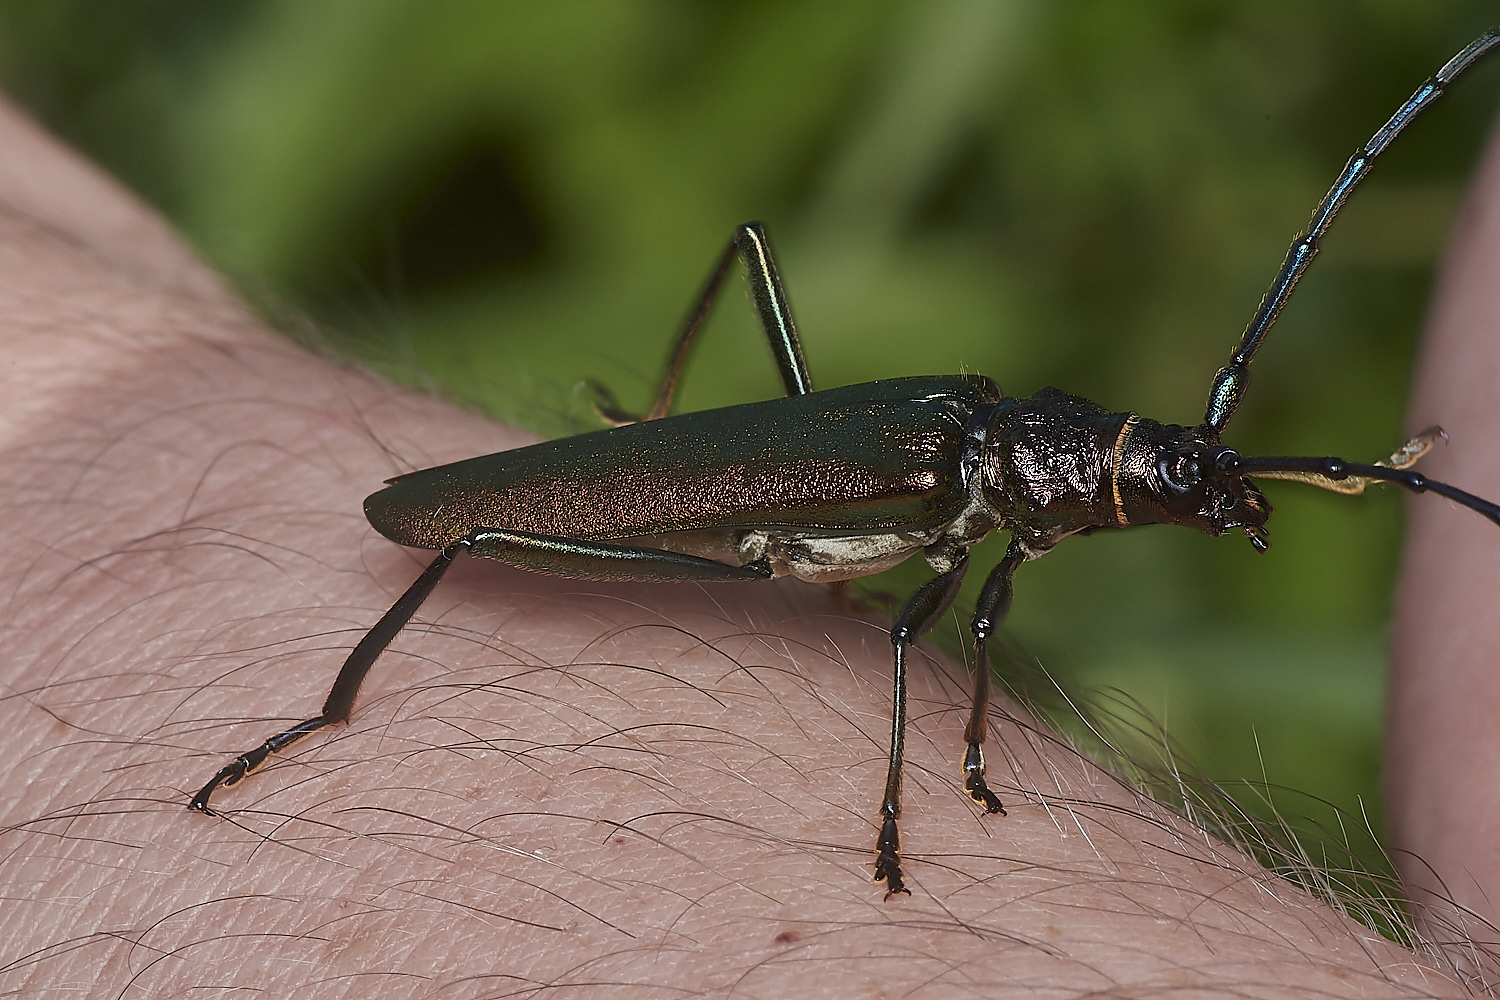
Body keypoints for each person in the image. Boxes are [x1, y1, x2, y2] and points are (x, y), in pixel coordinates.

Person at [1, 91, 1495, 996]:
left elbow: (988, 599)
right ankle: (322, 714)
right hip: (702, 517)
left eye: (1178, 488)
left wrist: (1279, 474)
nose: (1185, 498)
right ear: (1084, 476)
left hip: (832, 513)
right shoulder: (962, 482)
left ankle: (650, 412)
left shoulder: (999, 457)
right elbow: (932, 630)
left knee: (917, 574)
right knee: (501, 530)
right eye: (1168, 485)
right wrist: (926, 801)